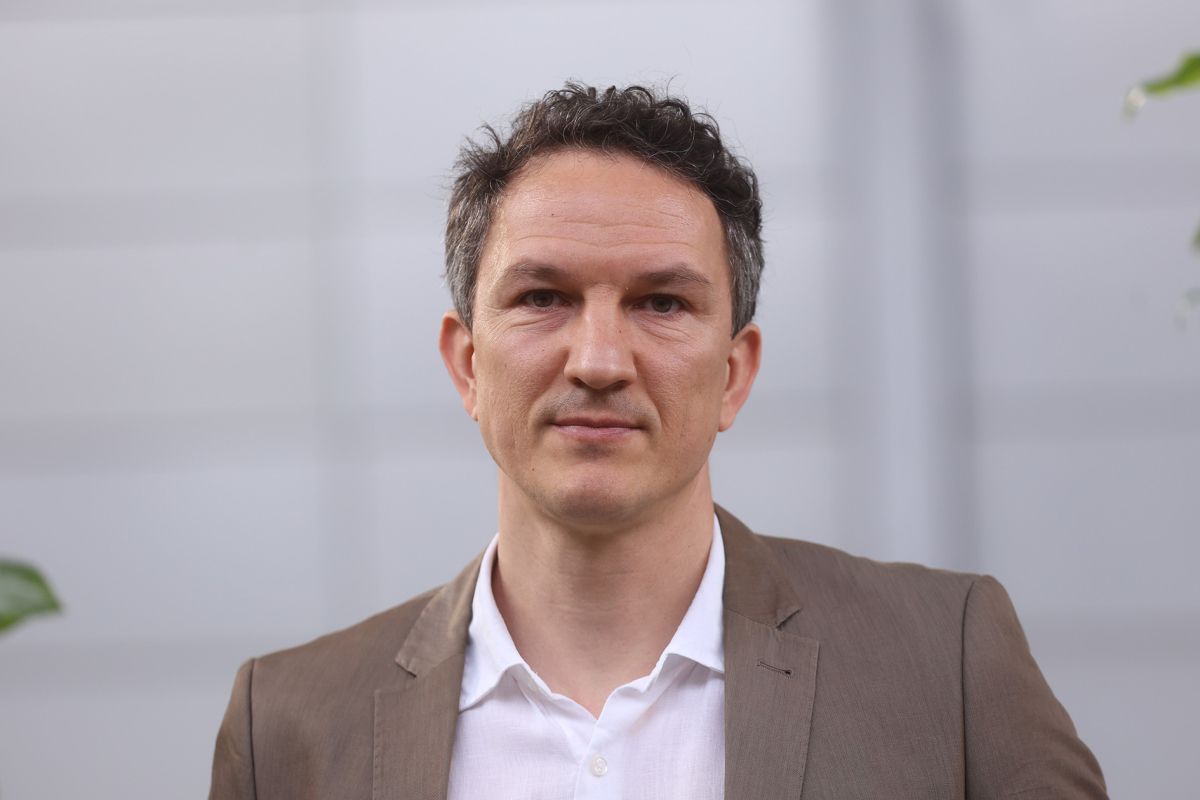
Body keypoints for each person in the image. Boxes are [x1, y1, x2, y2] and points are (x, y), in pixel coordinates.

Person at [209, 83, 1107, 799]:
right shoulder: (286, 726)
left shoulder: (946, 663)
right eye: (543, 297)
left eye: (662, 303)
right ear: (467, 364)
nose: (599, 360)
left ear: (735, 373)